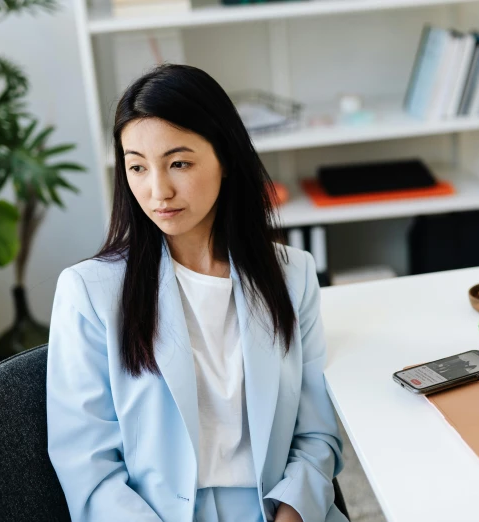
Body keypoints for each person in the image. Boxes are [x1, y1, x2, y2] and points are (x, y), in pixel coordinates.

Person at [46, 64, 346, 522]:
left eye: (179, 163)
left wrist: (294, 511)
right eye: (137, 167)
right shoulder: (88, 292)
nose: (157, 190)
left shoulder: (293, 275)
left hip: (277, 510)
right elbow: (86, 467)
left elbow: (316, 433)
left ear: (225, 159)